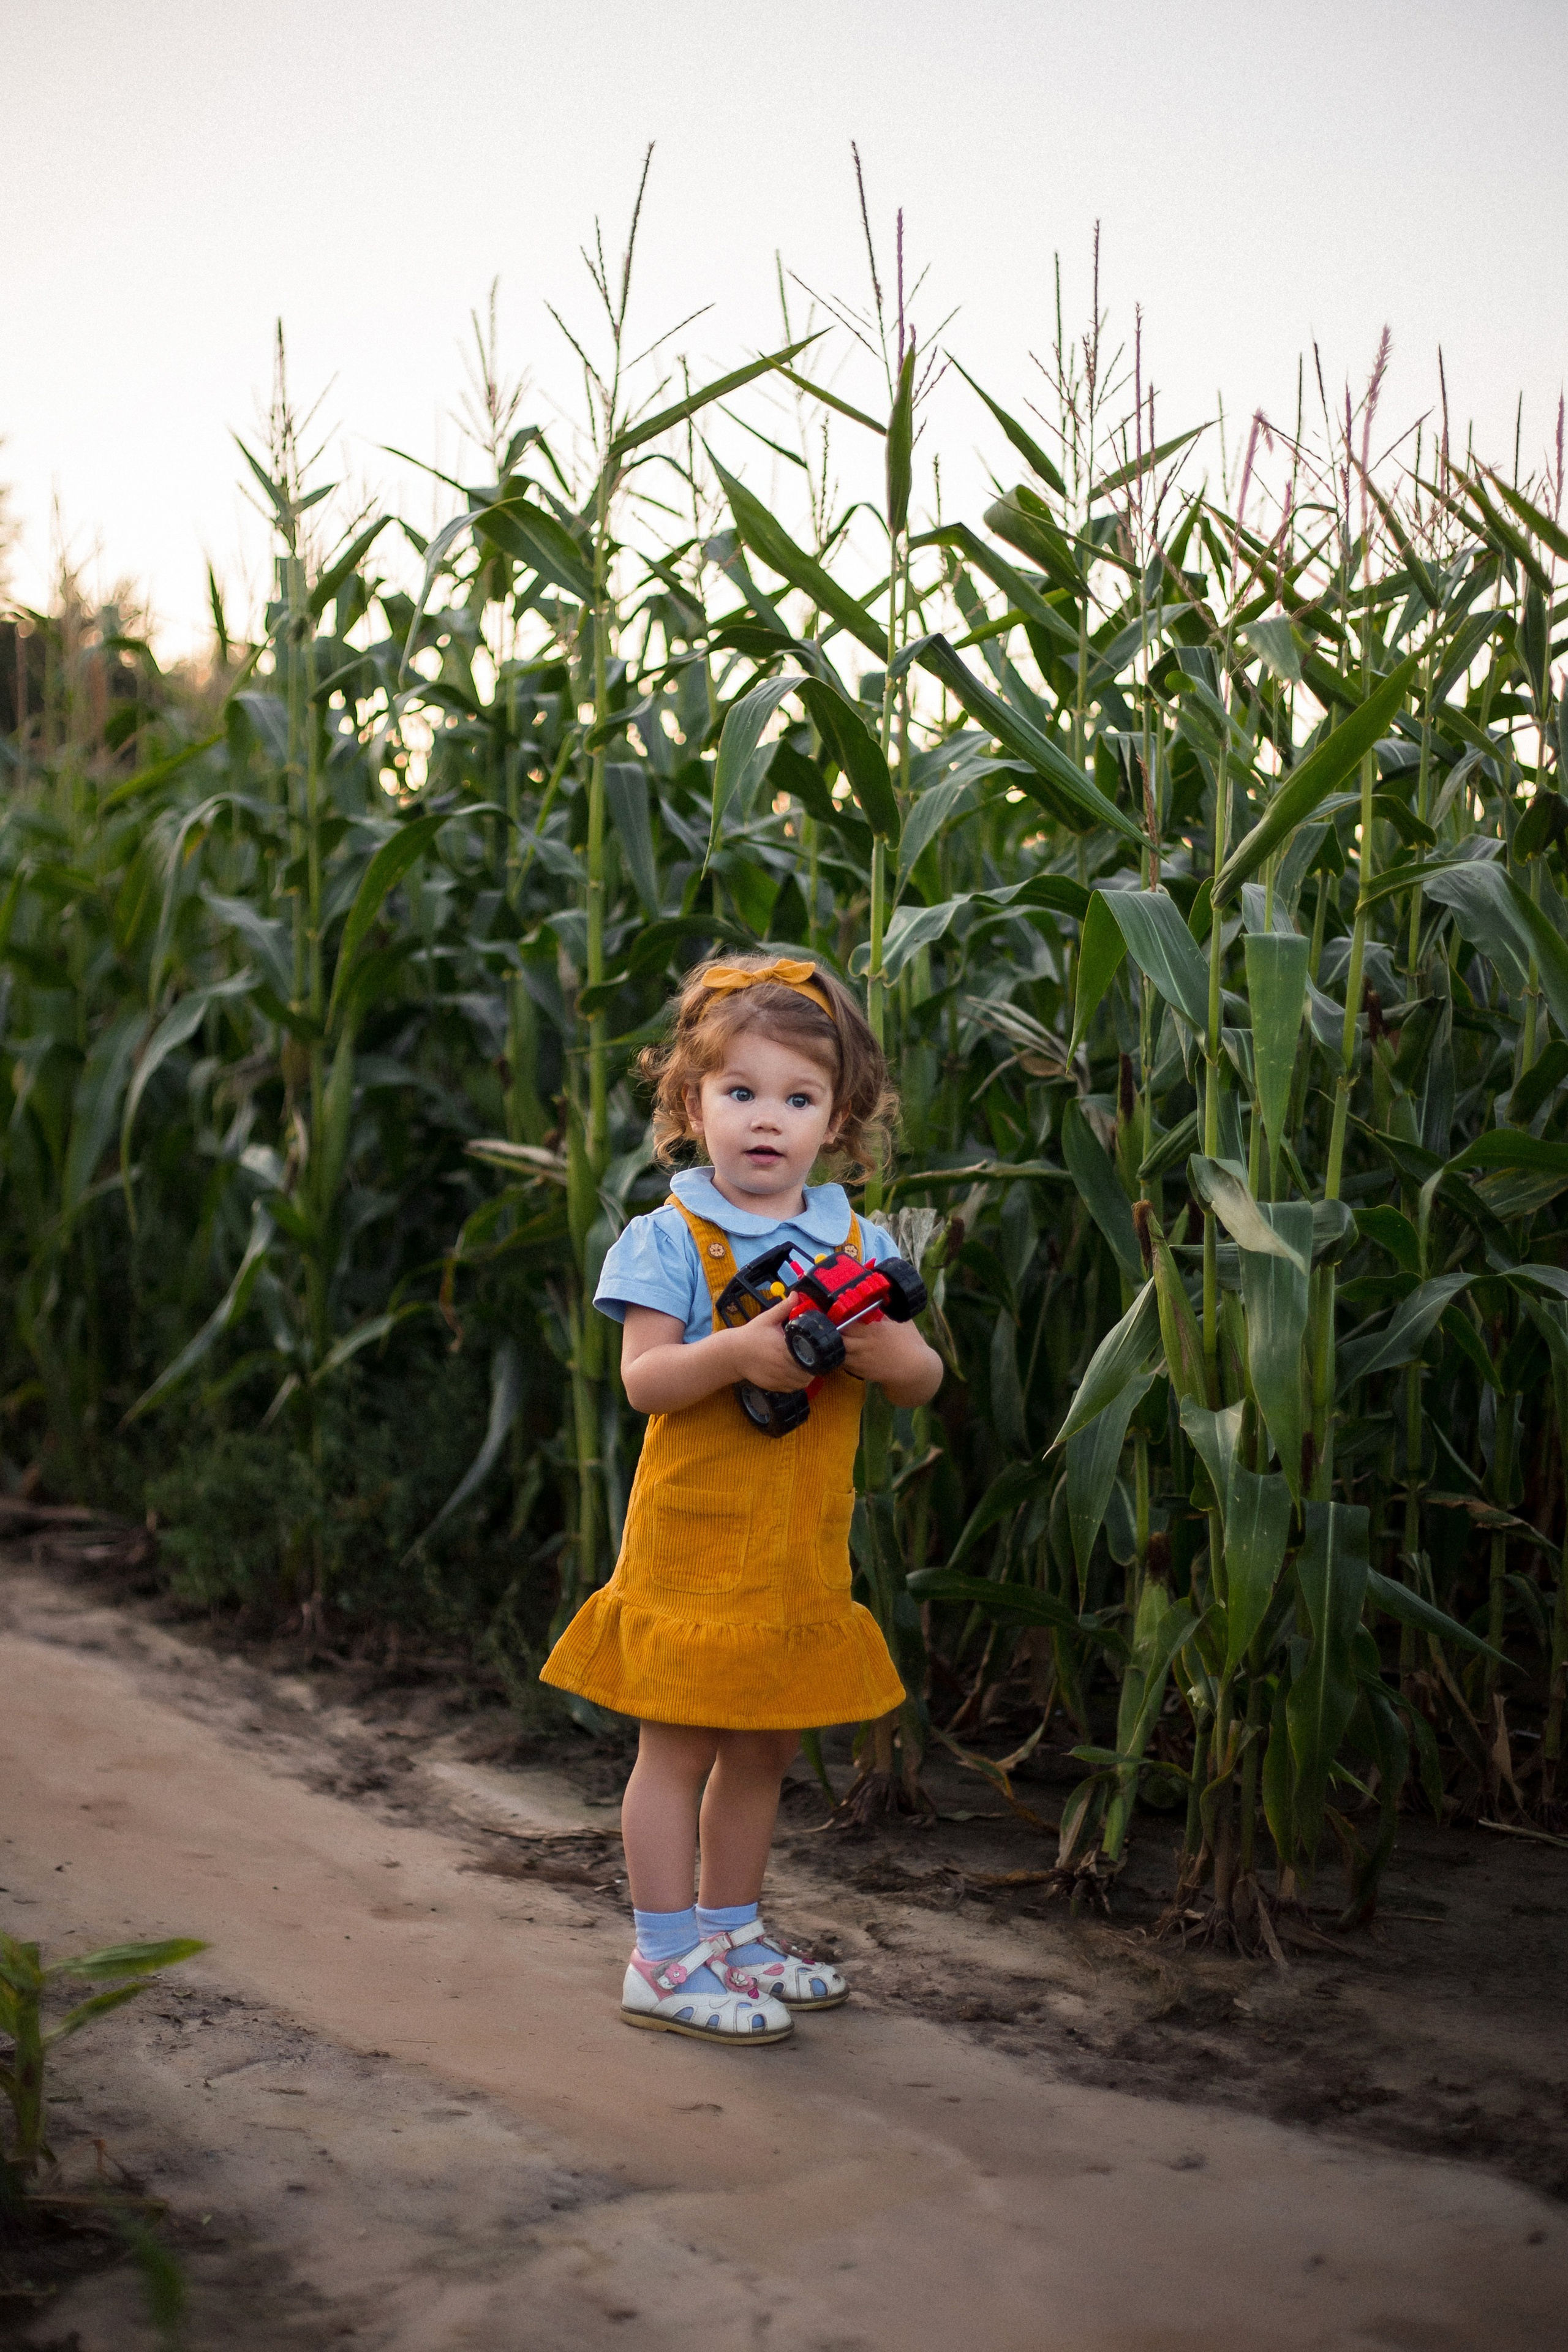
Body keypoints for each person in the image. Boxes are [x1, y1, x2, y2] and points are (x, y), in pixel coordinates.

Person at [541, 952, 944, 2044]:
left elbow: (921, 1377)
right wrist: (739, 1355)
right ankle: (662, 1958)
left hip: (796, 1549)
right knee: (675, 1750)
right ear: (690, 1103)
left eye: (799, 1099)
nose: (768, 1121)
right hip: (692, 1542)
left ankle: (730, 1932)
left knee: (762, 1748)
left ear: (841, 1120)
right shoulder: (670, 1237)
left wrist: (873, 1349)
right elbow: (644, 1381)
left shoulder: (857, 1243)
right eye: (741, 1093)